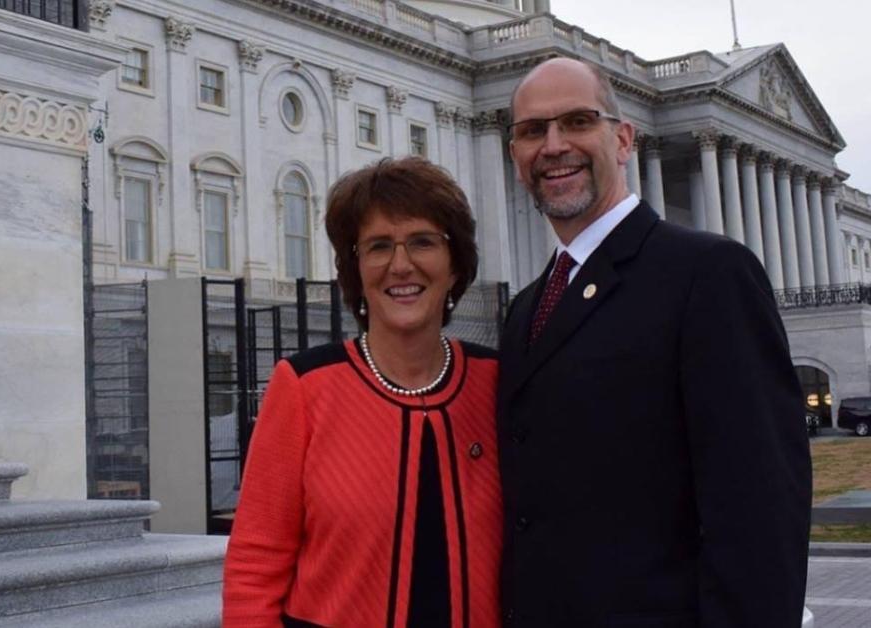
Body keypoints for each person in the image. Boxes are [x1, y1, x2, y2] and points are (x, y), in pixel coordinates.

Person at [496, 57, 811, 627]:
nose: (553, 145)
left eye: (576, 121)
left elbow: (759, 512)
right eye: (531, 131)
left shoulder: (708, 276)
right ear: (516, 157)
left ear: (622, 139)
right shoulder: (526, 309)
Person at [223, 156, 502, 627]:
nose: (400, 265)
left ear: (455, 265)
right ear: (356, 270)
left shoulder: (495, 381)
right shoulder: (305, 387)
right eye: (378, 247)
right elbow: (256, 564)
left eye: (422, 242)